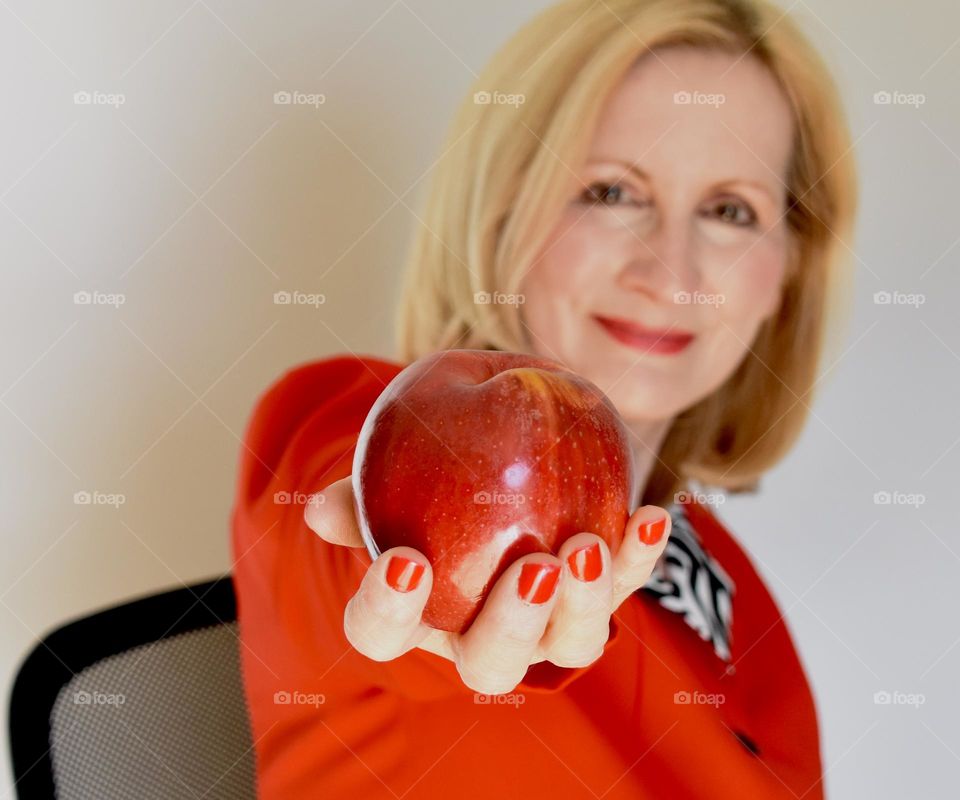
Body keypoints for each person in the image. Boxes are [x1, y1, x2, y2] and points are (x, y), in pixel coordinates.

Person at [230, 0, 858, 796]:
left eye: (731, 211)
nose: (670, 273)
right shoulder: (347, 421)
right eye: (611, 193)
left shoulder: (725, 583)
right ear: (502, 216)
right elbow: (331, 547)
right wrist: (418, 579)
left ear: (789, 271)